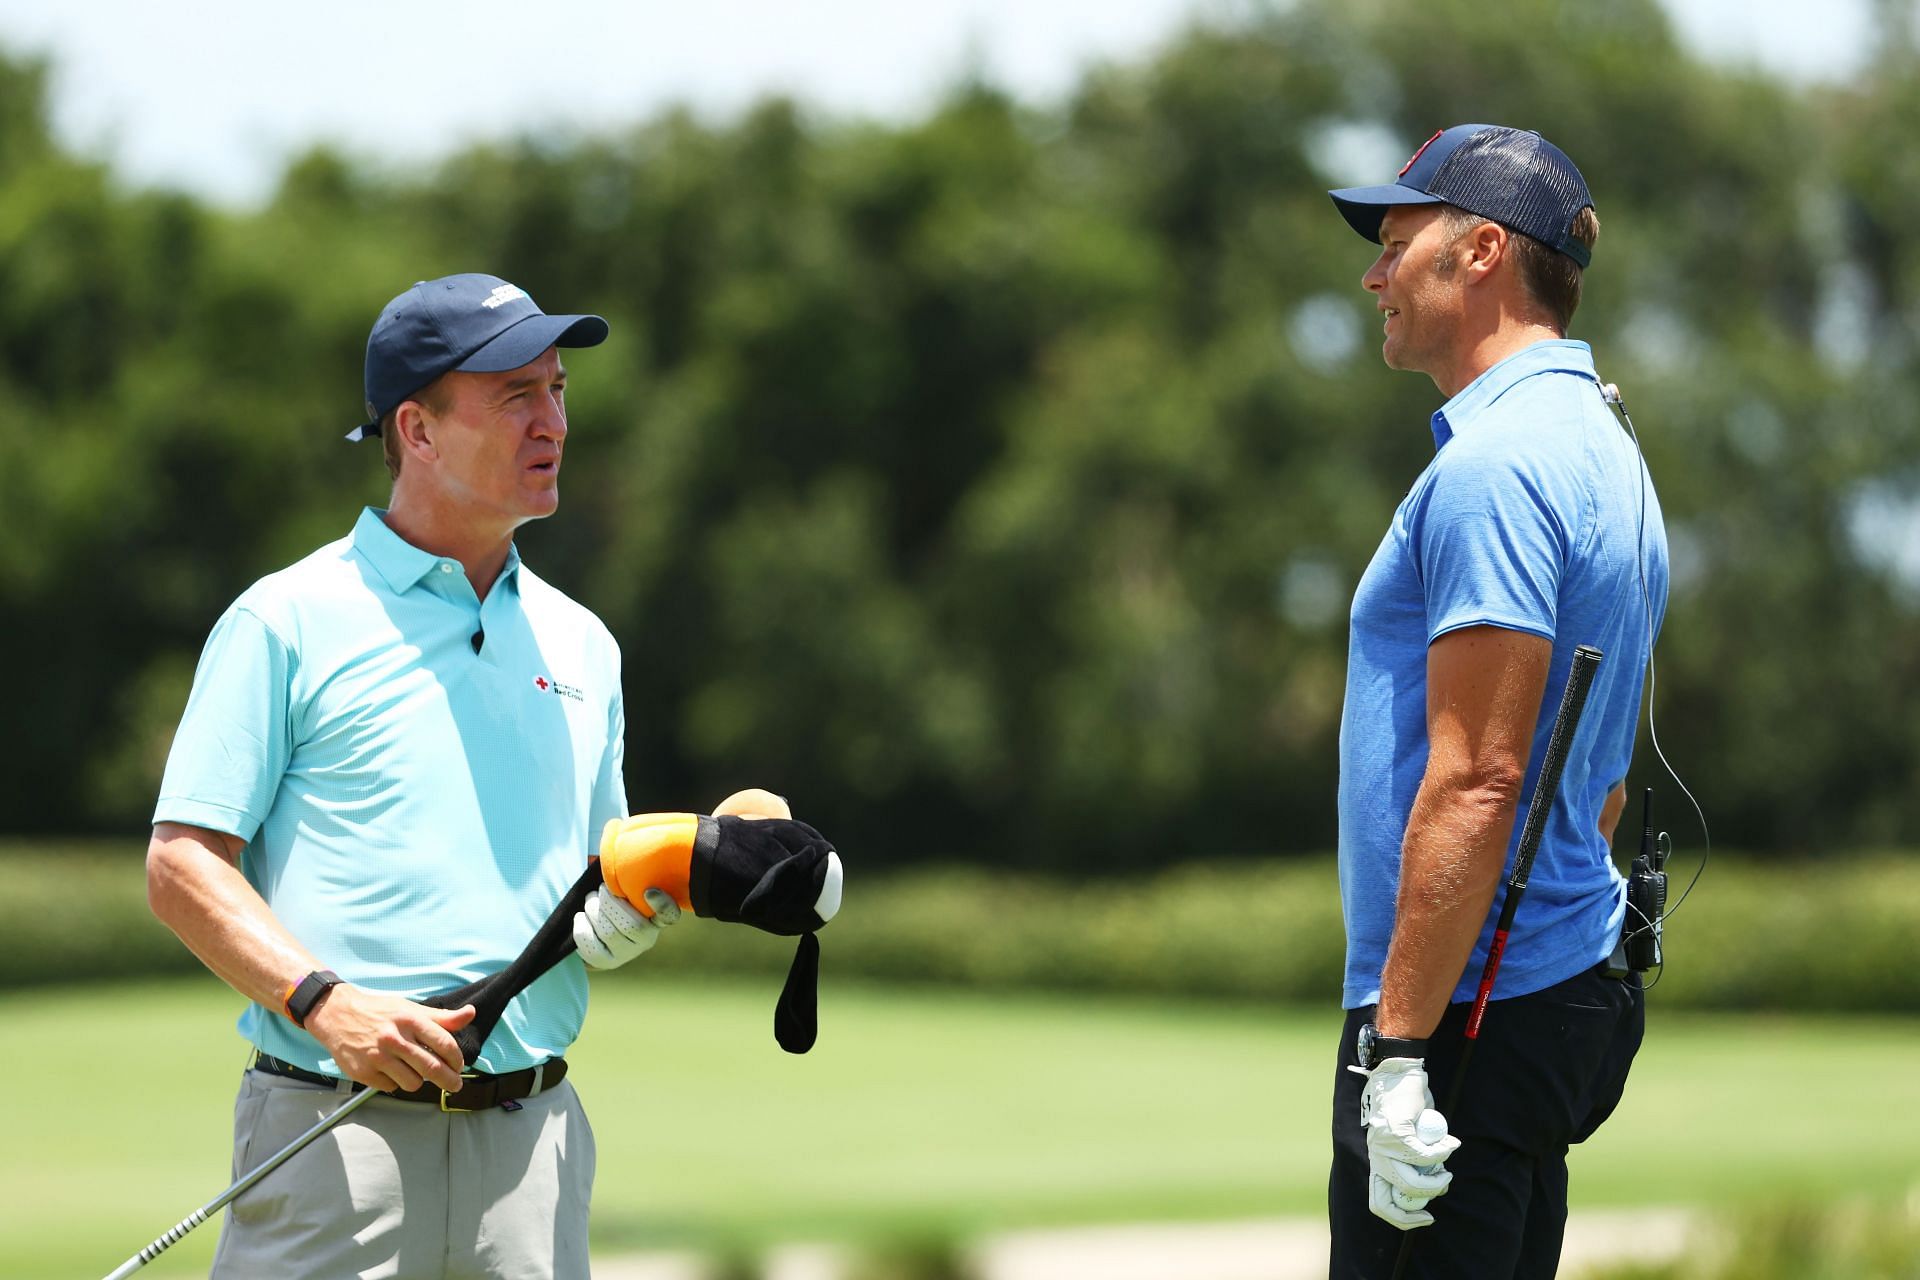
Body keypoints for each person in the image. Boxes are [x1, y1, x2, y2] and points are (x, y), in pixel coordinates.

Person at [147, 273, 752, 1279]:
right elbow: (182, 864)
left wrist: (656, 899)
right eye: (517, 394)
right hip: (335, 1139)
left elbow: (601, 883)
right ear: (417, 430)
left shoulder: (584, 643)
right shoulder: (285, 621)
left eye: (559, 390)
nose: (553, 419)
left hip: (534, 1145)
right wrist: (325, 1001)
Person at [1322, 126, 1670, 1278]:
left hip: (1463, 1019)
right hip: (1551, 991)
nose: (1374, 275)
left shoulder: (1496, 465)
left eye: (1396, 241)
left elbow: (1480, 775)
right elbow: (1606, 784)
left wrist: (1402, 1050)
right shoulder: (1606, 445)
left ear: (1479, 251)